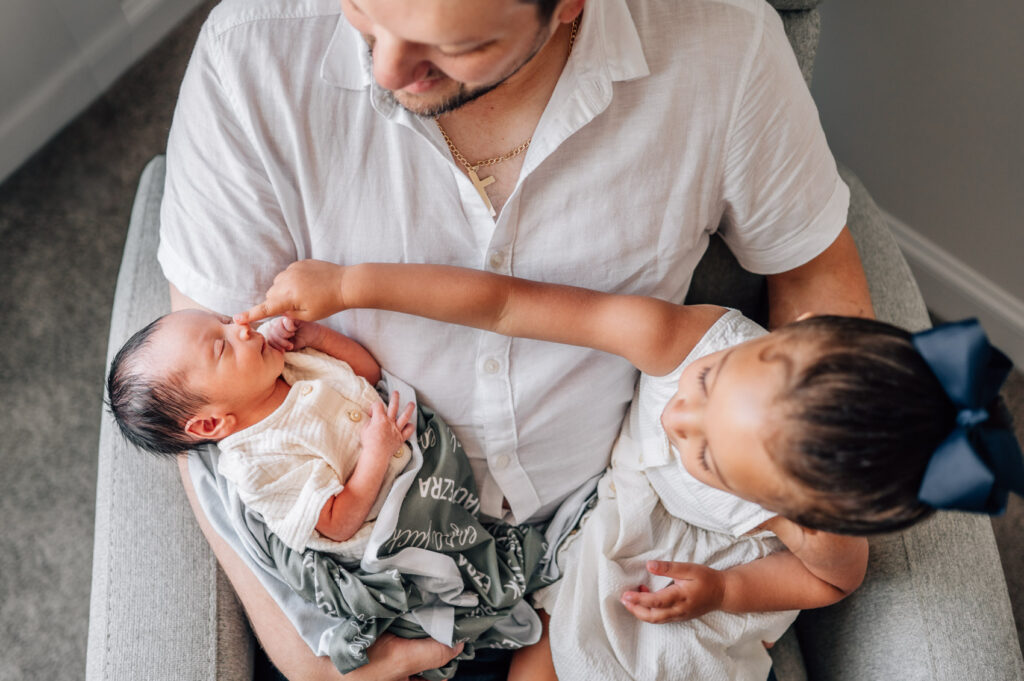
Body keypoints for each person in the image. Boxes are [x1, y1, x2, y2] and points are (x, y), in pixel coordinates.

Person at [159, 0, 873, 677]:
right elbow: (208, 408)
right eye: (366, 12)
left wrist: (813, 475)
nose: (382, 72)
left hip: (591, 545)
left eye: (457, 45)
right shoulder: (245, 53)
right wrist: (307, 655)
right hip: (382, 591)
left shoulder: (726, 41)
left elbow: (815, 274)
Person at [234, 258, 1024, 681]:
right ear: (798, 331)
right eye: (710, 388)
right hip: (610, 522)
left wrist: (723, 590)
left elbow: (829, 582)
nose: (679, 413)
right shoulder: (683, 341)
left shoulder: (812, 519)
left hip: (699, 585)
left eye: (708, 455)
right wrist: (351, 284)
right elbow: (508, 303)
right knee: (550, 652)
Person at [105, 310, 554, 679]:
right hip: (377, 528)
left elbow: (366, 374)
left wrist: (315, 336)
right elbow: (338, 524)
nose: (241, 327)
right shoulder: (259, 464)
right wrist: (375, 455)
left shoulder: (288, 365)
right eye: (222, 345)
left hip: (413, 468)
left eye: (223, 320)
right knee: (458, 574)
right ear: (210, 425)